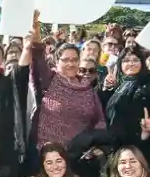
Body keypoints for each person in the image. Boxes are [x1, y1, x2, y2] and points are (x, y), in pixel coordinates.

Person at [24, 11, 106, 154]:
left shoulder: (87, 88)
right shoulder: (49, 79)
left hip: (78, 156)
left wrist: (98, 146)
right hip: (46, 155)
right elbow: (37, 56)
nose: (70, 64)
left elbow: (100, 121)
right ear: (56, 61)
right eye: (66, 60)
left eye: (74, 60)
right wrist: (36, 30)